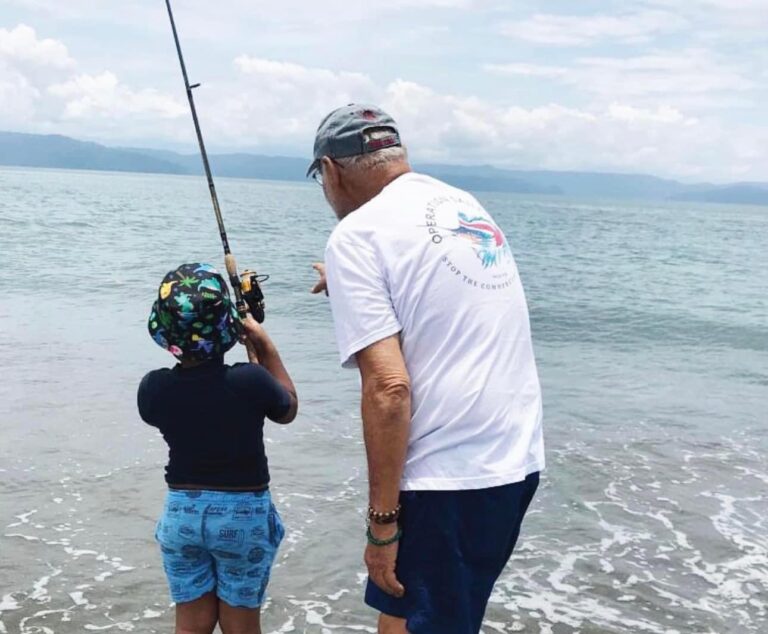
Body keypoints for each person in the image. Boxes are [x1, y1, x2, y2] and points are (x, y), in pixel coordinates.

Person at [308, 105, 544, 634]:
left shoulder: (357, 234)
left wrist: (383, 525)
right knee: (408, 615)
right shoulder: (460, 203)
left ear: (330, 170)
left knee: (417, 614)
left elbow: (389, 388)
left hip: (448, 478)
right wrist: (346, 284)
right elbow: (441, 299)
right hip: (515, 459)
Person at [138, 262, 297, 634]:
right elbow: (287, 407)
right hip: (242, 517)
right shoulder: (250, 380)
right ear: (229, 326)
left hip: (182, 515)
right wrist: (264, 345)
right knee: (241, 626)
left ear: (164, 332)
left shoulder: (153, 389)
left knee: (191, 625)